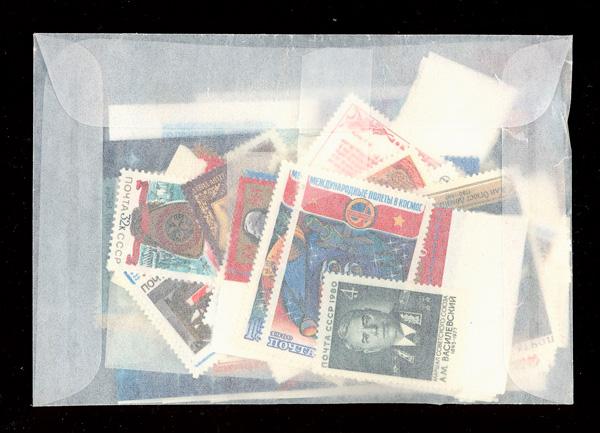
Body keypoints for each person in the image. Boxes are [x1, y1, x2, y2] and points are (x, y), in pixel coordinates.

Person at [337, 307, 417, 354]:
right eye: (366, 337)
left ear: (373, 311)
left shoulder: (413, 299)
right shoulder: (401, 373)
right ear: (372, 350)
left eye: (366, 321)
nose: (373, 329)